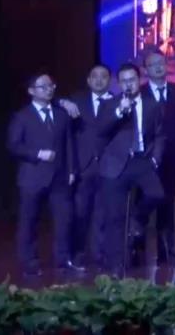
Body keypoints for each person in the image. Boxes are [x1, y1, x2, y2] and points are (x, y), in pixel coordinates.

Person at [8, 73, 79, 276]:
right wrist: (38, 153)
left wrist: (71, 169)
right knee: (29, 222)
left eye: (51, 85)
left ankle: (63, 261)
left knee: (64, 220)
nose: (49, 89)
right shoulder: (22, 116)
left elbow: (69, 144)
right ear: (31, 91)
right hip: (32, 177)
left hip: (60, 176)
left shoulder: (61, 114)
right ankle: (29, 262)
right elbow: (13, 145)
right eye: (43, 86)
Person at [99, 63, 165, 275]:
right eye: (124, 81)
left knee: (156, 194)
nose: (129, 84)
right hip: (116, 163)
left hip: (142, 160)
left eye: (132, 80)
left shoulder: (152, 104)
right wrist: (120, 111)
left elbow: (160, 134)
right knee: (115, 217)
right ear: (119, 84)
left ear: (140, 80)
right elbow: (101, 130)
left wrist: (155, 159)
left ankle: (137, 220)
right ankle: (116, 265)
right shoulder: (110, 104)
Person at [62, 64, 114, 267]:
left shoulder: (117, 102)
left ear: (110, 80)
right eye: (95, 76)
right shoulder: (76, 100)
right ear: (88, 80)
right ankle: (77, 253)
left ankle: (99, 255)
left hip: (108, 167)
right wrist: (63, 101)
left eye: (104, 76)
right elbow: (52, 103)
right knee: (80, 213)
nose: (99, 80)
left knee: (102, 214)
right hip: (83, 167)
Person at [141, 50, 175, 264]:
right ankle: (138, 247)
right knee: (146, 199)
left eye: (161, 62)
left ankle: (166, 249)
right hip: (146, 156)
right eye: (153, 64)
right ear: (145, 70)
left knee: (168, 200)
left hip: (172, 154)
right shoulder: (140, 93)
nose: (158, 67)